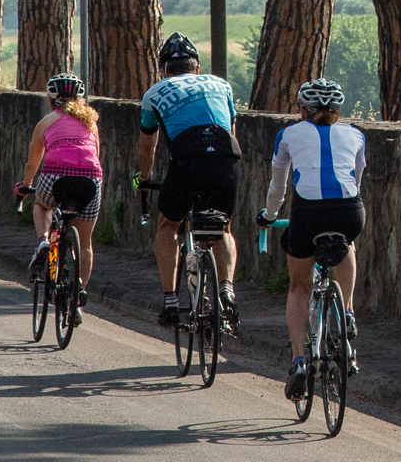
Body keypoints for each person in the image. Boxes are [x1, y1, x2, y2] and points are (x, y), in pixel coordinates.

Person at [258, 77, 366, 400]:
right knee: (346, 242)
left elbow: (278, 188)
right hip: (350, 211)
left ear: (303, 110)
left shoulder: (288, 134)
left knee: (299, 286)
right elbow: (356, 180)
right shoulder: (357, 135)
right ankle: (347, 312)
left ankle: (299, 362)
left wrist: (269, 215)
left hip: (308, 214)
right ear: (337, 111)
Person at [135, 32, 241, 329]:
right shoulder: (222, 84)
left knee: (168, 224)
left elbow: (148, 146)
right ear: (197, 67)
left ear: (164, 69)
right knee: (224, 227)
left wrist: (145, 178)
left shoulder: (155, 93)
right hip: (225, 157)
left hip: (186, 162)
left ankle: (170, 300)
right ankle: (227, 288)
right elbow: (231, 129)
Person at [16, 73, 103, 317]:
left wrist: (25, 184)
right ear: (80, 98)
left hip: (55, 177)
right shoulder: (90, 123)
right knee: (85, 244)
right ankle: (78, 296)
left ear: (52, 99)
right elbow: (95, 155)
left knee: (42, 206)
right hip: (90, 180)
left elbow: (34, 160)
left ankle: (44, 240)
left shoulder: (46, 122)